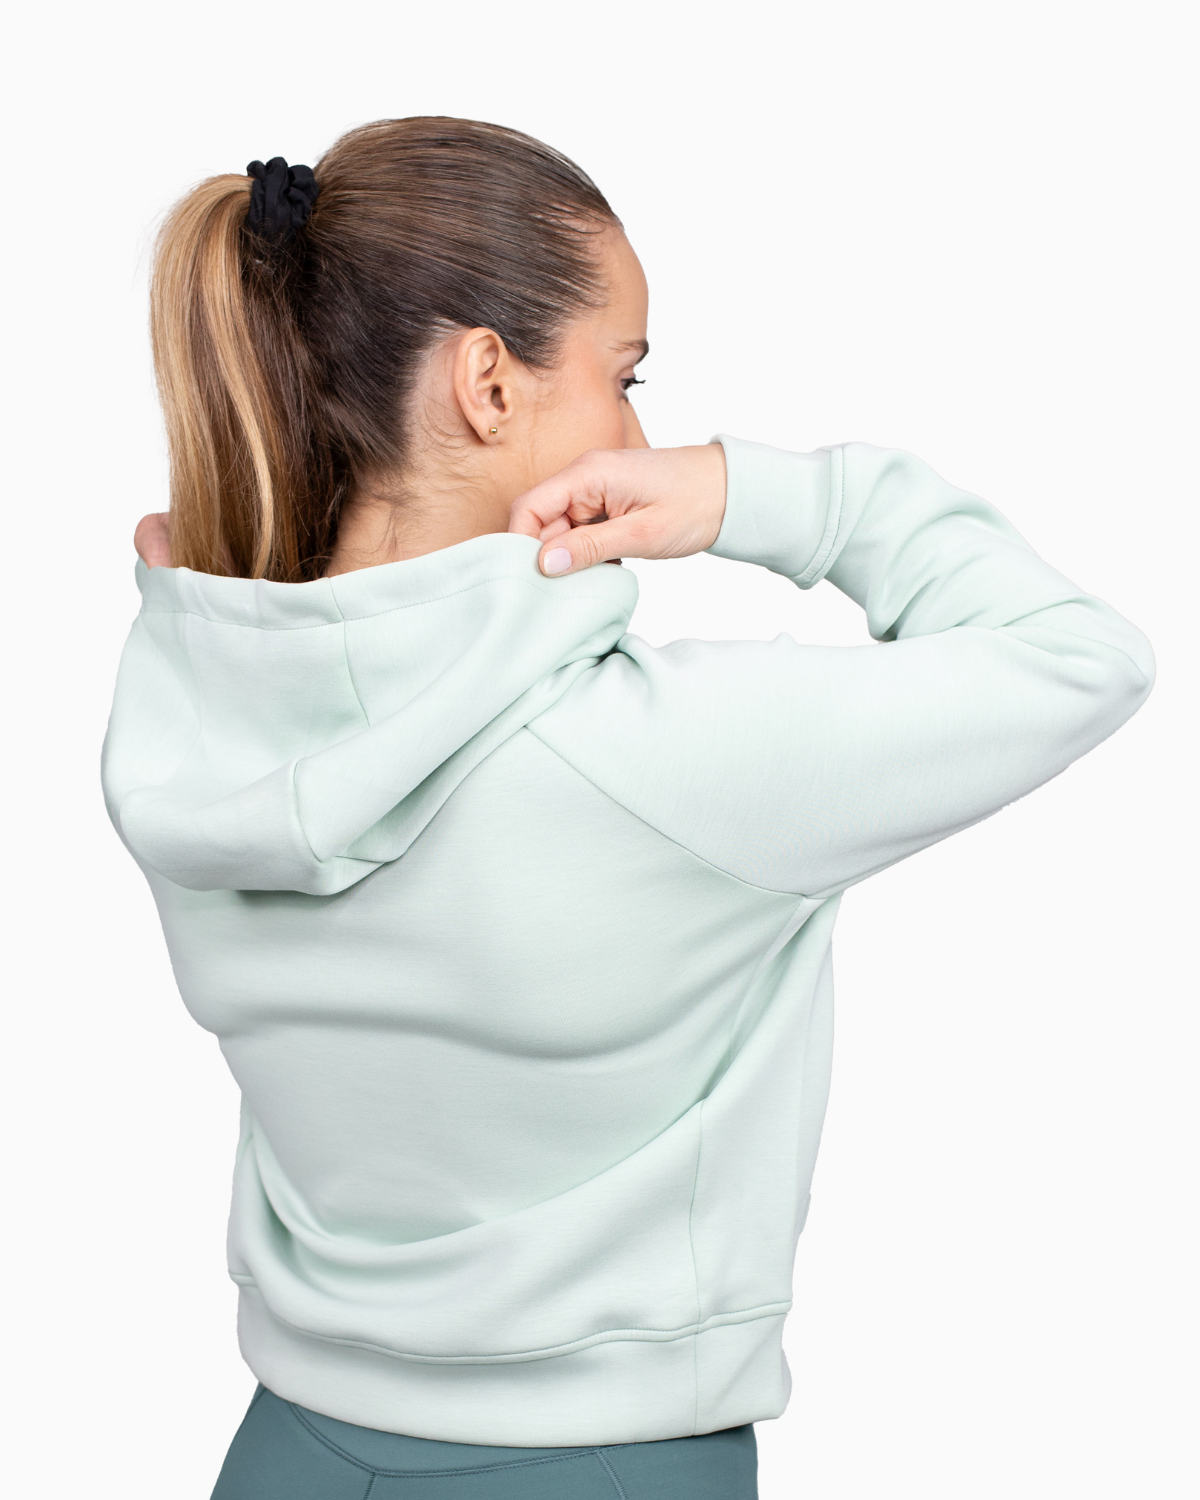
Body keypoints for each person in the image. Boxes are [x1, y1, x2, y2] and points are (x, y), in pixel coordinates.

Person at [102, 117, 1154, 1499]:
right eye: (627, 375)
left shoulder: (187, 728)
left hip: (284, 1451)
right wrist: (761, 496)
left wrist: (213, 615)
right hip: (597, 1469)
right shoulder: (669, 757)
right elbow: (1083, 657)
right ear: (488, 383)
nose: (643, 433)